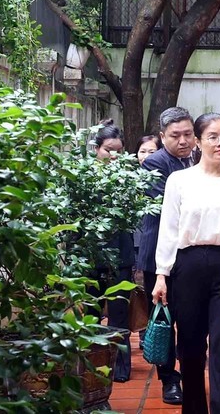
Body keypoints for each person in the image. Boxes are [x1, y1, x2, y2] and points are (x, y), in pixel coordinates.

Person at [151, 113, 220, 413]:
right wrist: (161, 274)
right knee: (191, 348)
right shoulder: (179, 180)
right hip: (189, 266)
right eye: (212, 136)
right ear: (198, 141)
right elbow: (168, 229)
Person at [137, 107, 196, 405]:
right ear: (162, 137)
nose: (184, 141)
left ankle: (190, 373)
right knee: (162, 319)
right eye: (176, 136)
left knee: (189, 319)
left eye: (188, 134)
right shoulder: (154, 164)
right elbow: (173, 210)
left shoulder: (199, 158)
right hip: (158, 255)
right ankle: (168, 380)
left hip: (191, 256)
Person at [91, 120, 134, 382]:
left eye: (118, 150)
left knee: (119, 315)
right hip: (90, 255)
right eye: (108, 150)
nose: (114, 156)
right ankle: (90, 364)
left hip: (121, 255)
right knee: (90, 312)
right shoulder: (82, 177)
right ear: (96, 149)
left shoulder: (129, 178)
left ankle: (121, 367)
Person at [134, 135, 162, 347]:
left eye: (152, 152)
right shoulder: (127, 179)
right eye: (143, 151)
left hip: (151, 243)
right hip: (140, 243)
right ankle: (147, 333)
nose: (146, 156)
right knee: (141, 293)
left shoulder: (160, 177)